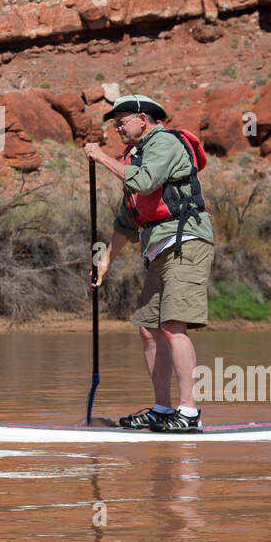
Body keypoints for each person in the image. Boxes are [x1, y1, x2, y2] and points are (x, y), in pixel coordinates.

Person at [83, 94, 214, 432]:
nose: (117, 126)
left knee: (173, 325)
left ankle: (189, 414)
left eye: (122, 120)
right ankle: (161, 408)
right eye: (115, 122)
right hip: (157, 249)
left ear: (144, 119)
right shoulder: (134, 156)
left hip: (185, 241)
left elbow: (142, 182)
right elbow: (125, 221)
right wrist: (104, 261)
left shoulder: (164, 143)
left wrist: (100, 157)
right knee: (149, 328)